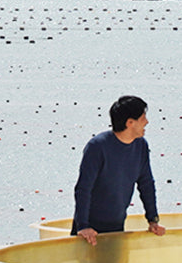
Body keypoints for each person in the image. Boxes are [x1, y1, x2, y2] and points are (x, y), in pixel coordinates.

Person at [71, 95, 166, 245]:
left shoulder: (140, 146)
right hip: (89, 231)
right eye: (143, 118)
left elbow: (146, 184)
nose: (146, 122)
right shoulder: (97, 147)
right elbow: (83, 188)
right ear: (130, 122)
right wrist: (83, 226)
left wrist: (153, 220)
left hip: (117, 226)